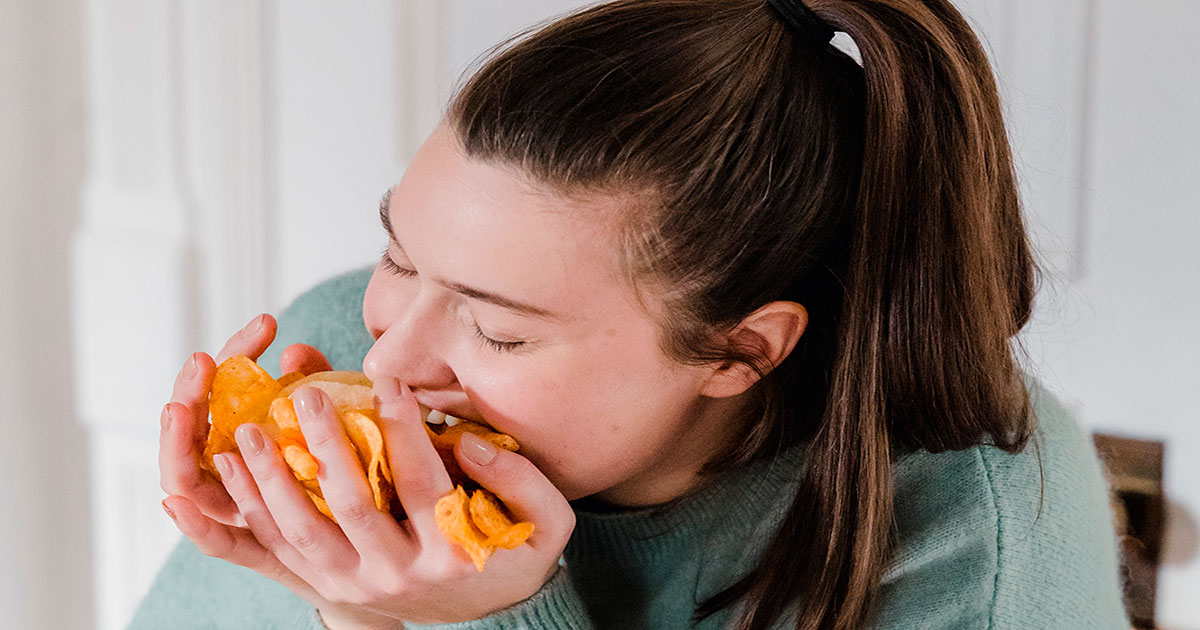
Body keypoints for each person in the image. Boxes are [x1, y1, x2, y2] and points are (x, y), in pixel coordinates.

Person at [131, 0, 1131, 628]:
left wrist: (488, 620)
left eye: (501, 331)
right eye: (400, 256)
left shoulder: (985, 538)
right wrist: (347, 610)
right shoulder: (339, 356)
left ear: (740, 349)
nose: (389, 360)